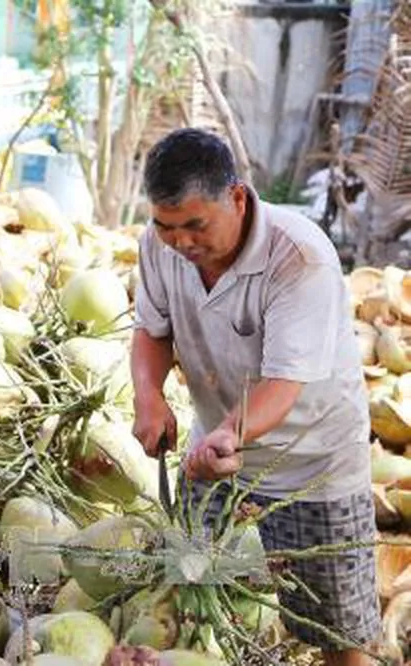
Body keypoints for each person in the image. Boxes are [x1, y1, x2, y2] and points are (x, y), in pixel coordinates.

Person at [130, 128, 381, 666]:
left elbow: (283, 385)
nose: (180, 242)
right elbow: (152, 331)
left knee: (337, 631)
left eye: (195, 225)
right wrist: (148, 396)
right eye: (165, 226)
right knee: (189, 602)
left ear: (237, 199)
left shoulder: (299, 257)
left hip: (312, 464)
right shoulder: (158, 245)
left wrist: (230, 432)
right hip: (214, 455)